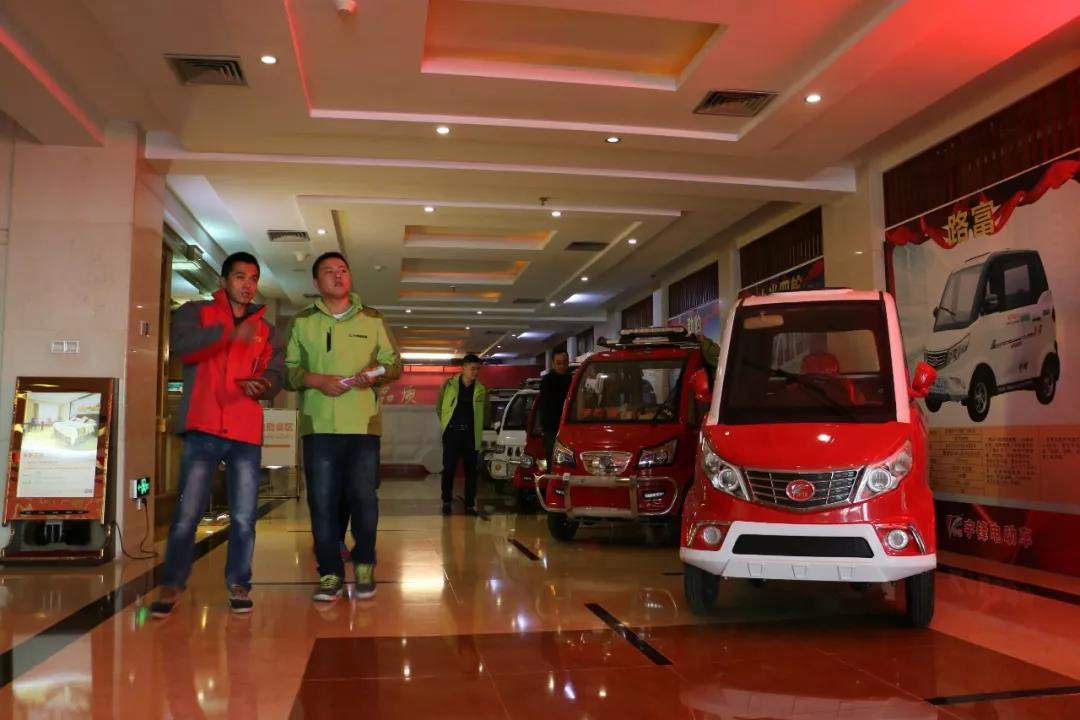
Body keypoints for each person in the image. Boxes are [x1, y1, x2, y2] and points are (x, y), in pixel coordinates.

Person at [151, 252, 284, 617]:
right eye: (240, 277)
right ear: (224, 281)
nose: (247, 284)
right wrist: (228, 333)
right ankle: (172, 584)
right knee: (187, 514)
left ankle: (239, 584)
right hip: (203, 426)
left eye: (253, 278)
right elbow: (184, 346)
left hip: (245, 430)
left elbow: (275, 373)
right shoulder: (195, 312)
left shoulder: (266, 329)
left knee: (243, 517)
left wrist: (265, 385)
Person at [285, 252, 401, 603]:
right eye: (329, 271)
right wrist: (316, 380)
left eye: (343, 270)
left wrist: (375, 375)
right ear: (316, 282)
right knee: (321, 502)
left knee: (364, 499)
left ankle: (364, 563)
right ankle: (330, 572)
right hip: (318, 426)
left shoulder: (372, 319)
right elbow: (288, 371)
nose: (338, 276)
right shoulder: (302, 322)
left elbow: (394, 365)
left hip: (362, 426)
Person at [436, 354, 489, 516]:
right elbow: (439, 407)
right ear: (464, 367)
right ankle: (446, 500)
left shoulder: (481, 389)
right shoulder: (449, 385)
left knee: (471, 472)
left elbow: (486, 411)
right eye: (472, 369)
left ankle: (470, 505)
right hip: (452, 434)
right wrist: (447, 425)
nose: (475, 372)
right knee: (448, 469)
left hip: (471, 435)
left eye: (477, 369)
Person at [539, 349, 573, 468]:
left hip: (569, 427)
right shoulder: (547, 381)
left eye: (565, 362)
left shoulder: (572, 380)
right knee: (553, 463)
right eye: (559, 363)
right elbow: (547, 407)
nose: (562, 366)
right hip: (551, 429)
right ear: (553, 363)